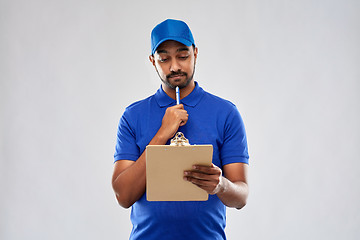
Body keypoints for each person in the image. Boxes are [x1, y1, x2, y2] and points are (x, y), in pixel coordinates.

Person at [112, 19, 249, 240]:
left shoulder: (225, 113)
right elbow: (123, 196)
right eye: (164, 58)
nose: (174, 66)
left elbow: (241, 196)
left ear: (195, 53)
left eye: (183, 55)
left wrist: (220, 185)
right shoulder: (132, 116)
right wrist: (162, 133)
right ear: (153, 61)